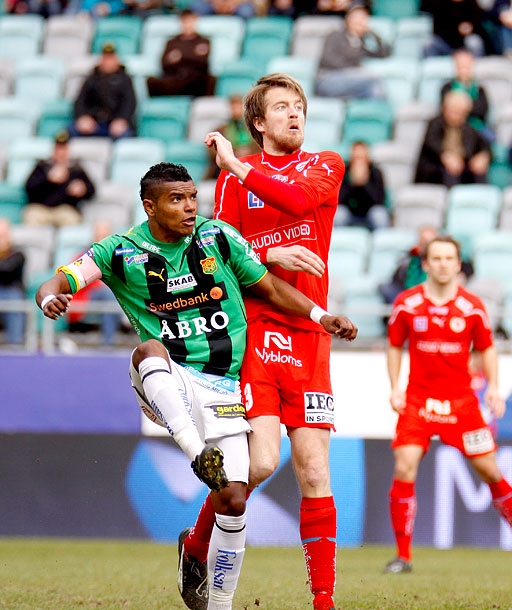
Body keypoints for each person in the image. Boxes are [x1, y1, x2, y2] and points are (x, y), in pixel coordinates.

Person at [35, 162, 357, 610]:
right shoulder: (120, 250)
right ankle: (196, 455)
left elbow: (269, 287)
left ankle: (219, 603)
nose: (189, 207)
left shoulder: (217, 237)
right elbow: (63, 278)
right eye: (176, 199)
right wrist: (52, 296)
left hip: (224, 386)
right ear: (149, 206)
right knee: (149, 349)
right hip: (169, 379)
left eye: (192, 197)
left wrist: (322, 316)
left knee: (233, 499)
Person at [180, 73, 347, 610]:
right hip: (256, 330)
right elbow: (218, 253)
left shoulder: (325, 164)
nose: (294, 114)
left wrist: (236, 164)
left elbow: (298, 203)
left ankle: (323, 601)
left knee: (316, 468)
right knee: (258, 464)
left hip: (310, 334)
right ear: (258, 123)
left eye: (298, 105)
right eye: (281, 107)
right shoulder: (232, 185)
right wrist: (267, 256)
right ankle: (197, 544)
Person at [384, 235, 512, 575]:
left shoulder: (472, 306)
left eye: (450, 258)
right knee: (405, 466)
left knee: (490, 470)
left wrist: (493, 388)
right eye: (437, 258)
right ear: (427, 264)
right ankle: (403, 556)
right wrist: (395, 388)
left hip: (462, 403)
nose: (444, 264)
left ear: (458, 265)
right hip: (418, 400)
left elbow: (487, 348)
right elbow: (394, 346)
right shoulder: (407, 303)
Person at [315, 1, 390, 101]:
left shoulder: (361, 43)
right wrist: (353, 70)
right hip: (328, 78)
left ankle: (373, 113)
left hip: (349, 81)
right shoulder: (335, 35)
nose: (360, 21)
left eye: (363, 18)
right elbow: (328, 59)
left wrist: (371, 32)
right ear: (348, 19)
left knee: (373, 90)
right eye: (357, 17)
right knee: (373, 78)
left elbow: (383, 53)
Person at [415, 89, 491, 186]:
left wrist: (483, 156)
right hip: (436, 171)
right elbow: (432, 144)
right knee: (451, 169)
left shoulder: (469, 128)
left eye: (461, 113)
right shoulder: (434, 124)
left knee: (479, 170)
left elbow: (485, 145)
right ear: (445, 109)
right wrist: (446, 156)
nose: (457, 117)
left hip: (463, 171)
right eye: (454, 112)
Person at [23, 130, 96, 228]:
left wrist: (83, 190)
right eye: (58, 149)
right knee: (32, 216)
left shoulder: (76, 169)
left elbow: (92, 191)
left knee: (71, 219)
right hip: (41, 208)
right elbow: (28, 188)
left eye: (64, 149)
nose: (61, 153)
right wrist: (48, 179)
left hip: (65, 209)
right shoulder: (42, 166)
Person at [68, 43, 137, 140]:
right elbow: (80, 101)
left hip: (114, 124)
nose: (108, 62)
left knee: (125, 135)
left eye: (110, 58)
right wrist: (83, 117)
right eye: (105, 58)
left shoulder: (125, 80)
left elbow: (130, 103)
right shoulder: (91, 79)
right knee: (71, 130)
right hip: (94, 124)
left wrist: (122, 119)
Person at [146, 10, 216, 98]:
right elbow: (164, 64)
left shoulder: (203, 41)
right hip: (176, 78)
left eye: (190, 22)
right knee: (152, 81)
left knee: (210, 79)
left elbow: (203, 63)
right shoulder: (172, 42)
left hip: (195, 80)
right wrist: (192, 55)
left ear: (195, 22)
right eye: (185, 22)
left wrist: (180, 57)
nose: (188, 25)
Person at [439, 49, 492, 141]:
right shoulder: (447, 87)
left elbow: (482, 110)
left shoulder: (479, 89)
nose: (463, 71)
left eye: (466, 68)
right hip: (452, 125)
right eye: (460, 68)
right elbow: (444, 109)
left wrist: (460, 107)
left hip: (475, 127)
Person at [336, 141, 389, 230]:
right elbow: (338, 200)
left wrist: (365, 183)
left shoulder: (376, 173)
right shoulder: (343, 172)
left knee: (380, 214)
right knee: (338, 214)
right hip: (350, 214)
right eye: (356, 158)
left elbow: (380, 201)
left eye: (361, 158)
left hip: (369, 214)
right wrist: (352, 183)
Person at [205, 94, 260, 180]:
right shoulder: (220, 130)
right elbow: (212, 151)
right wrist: (232, 154)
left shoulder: (256, 129)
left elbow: (261, 148)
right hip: (225, 169)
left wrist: (248, 153)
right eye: (233, 106)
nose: (236, 110)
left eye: (239, 106)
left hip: (251, 168)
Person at [422, 0, 490, 58]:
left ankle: (476, 67)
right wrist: (457, 30)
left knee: (474, 41)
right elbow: (437, 30)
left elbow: (480, 25)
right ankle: (432, 69)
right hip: (447, 45)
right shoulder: (440, 4)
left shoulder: (471, 3)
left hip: (465, 45)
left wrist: (470, 28)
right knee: (428, 42)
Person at [0, 219, 25, 346]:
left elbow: (7, 269)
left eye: (3, 236)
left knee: (14, 298)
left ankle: (15, 344)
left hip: (10, 291)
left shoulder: (18, 254)